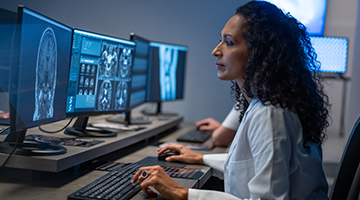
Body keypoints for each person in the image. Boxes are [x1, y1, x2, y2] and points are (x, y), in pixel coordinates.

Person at [131, 1, 330, 199]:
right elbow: (248, 167)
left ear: (259, 53)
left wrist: (182, 193)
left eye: (229, 42)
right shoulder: (268, 104)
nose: (216, 51)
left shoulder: (270, 113)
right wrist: (201, 158)